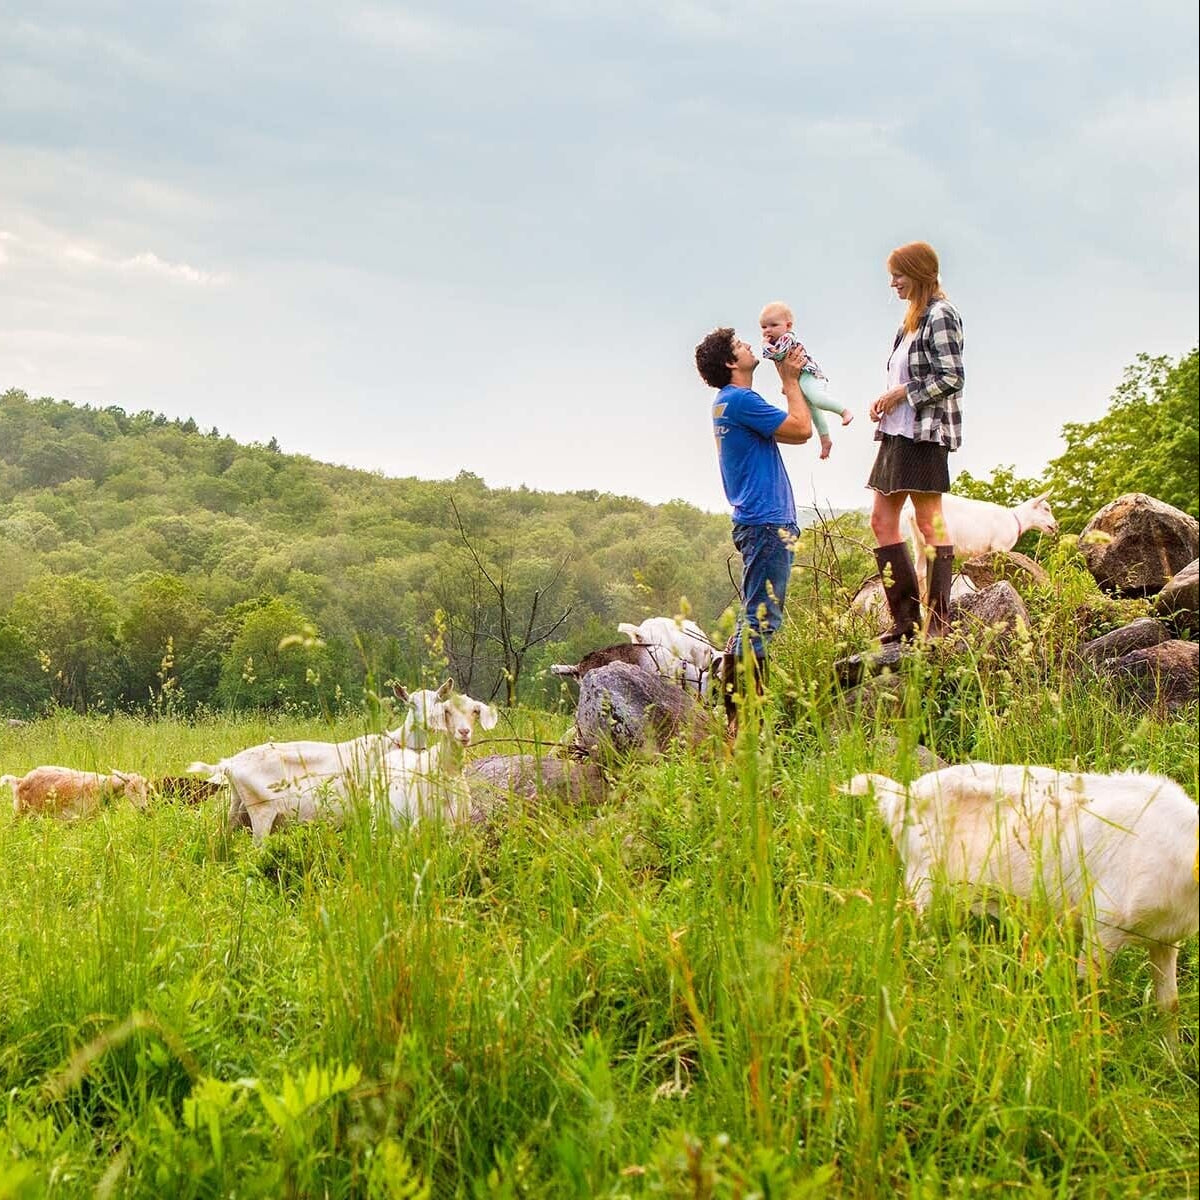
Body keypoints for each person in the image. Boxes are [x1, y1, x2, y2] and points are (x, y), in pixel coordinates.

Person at [693, 327, 811, 713]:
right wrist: (790, 379)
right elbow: (801, 429)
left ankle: (735, 707)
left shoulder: (725, 403)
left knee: (754, 615)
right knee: (762, 619)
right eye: (740, 345)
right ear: (731, 363)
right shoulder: (741, 400)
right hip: (766, 522)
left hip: (757, 521)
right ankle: (743, 717)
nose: (748, 345)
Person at [867, 241, 964, 641]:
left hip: (925, 435)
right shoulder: (911, 320)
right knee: (881, 522)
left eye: (898, 275)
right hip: (895, 434)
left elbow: (952, 377)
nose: (892, 283)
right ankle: (905, 622)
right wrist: (885, 400)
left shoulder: (941, 315)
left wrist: (902, 393)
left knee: (929, 521)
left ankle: (938, 623)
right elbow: (903, 378)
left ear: (919, 272)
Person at [759, 301, 853, 460]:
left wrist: (765, 345)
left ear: (788, 326)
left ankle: (844, 411)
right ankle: (825, 440)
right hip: (799, 378)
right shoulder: (776, 341)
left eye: (773, 325)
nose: (768, 330)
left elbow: (778, 355)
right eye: (763, 327)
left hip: (809, 375)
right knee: (813, 411)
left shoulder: (787, 338)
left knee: (817, 400)